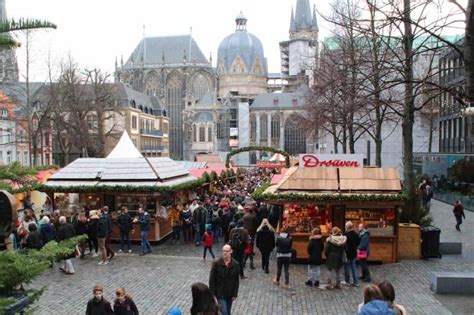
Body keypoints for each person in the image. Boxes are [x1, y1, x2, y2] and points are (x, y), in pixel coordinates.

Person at [209, 244, 240, 315]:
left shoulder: (236, 265)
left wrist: (235, 294)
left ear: (231, 251)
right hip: (220, 293)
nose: (225, 253)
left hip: (230, 293)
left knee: (228, 311)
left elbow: (236, 280)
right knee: (224, 311)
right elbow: (212, 279)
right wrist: (212, 293)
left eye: (227, 251)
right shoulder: (216, 263)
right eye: (223, 251)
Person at [344, 221, 360, 287]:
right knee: (353, 267)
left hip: (347, 253)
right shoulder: (356, 234)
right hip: (353, 252)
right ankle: (356, 282)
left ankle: (347, 281)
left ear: (347, 227)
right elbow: (358, 243)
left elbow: (344, 244)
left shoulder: (346, 235)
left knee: (347, 267)